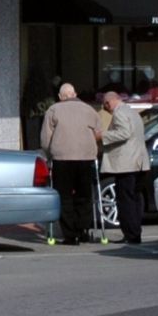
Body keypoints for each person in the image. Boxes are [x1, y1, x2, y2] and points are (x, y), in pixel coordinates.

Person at [40, 83, 103, 244]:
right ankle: (83, 229)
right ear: (75, 94)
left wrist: (48, 155)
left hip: (62, 158)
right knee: (84, 195)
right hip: (86, 158)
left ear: (61, 97)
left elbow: (46, 138)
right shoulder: (89, 109)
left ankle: (70, 234)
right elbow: (98, 132)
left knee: (64, 196)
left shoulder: (53, 110)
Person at [100, 91, 151, 244]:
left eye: (105, 105)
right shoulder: (132, 112)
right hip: (139, 162)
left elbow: (124, 133)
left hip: (126, 164)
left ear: (109, 103)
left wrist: (103, 136)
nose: (106, 109)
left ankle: (130, 234)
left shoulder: (119, 113)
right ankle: (135, 233)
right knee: (134, 199)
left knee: (125, 200)